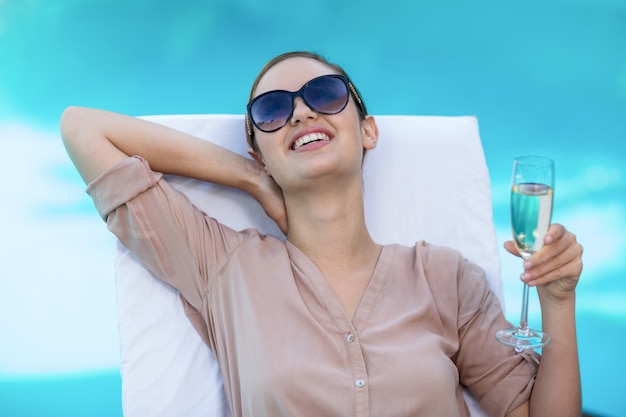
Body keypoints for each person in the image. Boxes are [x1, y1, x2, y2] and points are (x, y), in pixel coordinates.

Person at [60, 51, 583, 417]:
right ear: (257, 150)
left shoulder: (443, 278)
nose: (301, 111)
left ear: (368, 130)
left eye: (325, 94)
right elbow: (83, 129)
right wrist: (250, 179)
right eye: (272, 111)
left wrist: (558, 301)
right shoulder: (222, 268)